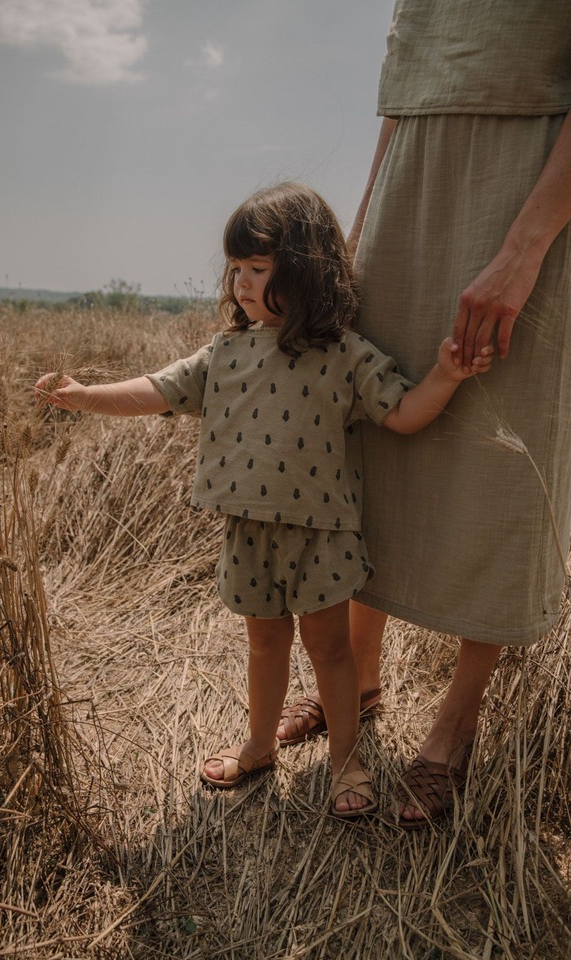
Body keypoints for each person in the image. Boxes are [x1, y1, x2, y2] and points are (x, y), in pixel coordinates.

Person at [34, 182, 492, 819]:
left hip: (322, 533)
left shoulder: (343, 355)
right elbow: (159, 391)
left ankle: (345, 761)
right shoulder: (226, 352)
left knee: (330, 651)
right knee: (264, 646)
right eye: (235, 270)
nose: (241, 284)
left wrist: (446, 373)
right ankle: (258, 745)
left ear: (304, 274)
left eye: (257, 269)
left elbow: (405, 414)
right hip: (246, 531)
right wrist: (87, 396)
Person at [278, 0, 571, 828]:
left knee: (504, 451)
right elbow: (402, 96)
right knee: (376, 436)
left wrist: (524, 251)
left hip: (530, 185)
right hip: (412, 182)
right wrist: (363, 231)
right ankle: (359, 681)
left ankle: (456, 723)